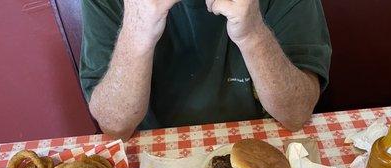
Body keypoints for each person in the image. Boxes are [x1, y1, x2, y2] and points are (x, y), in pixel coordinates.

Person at [80, 0, 331, 140]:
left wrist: (253, 33)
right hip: (154, 153)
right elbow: (115, 126)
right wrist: (137, 31)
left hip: (263, 142)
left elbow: (296, 114)